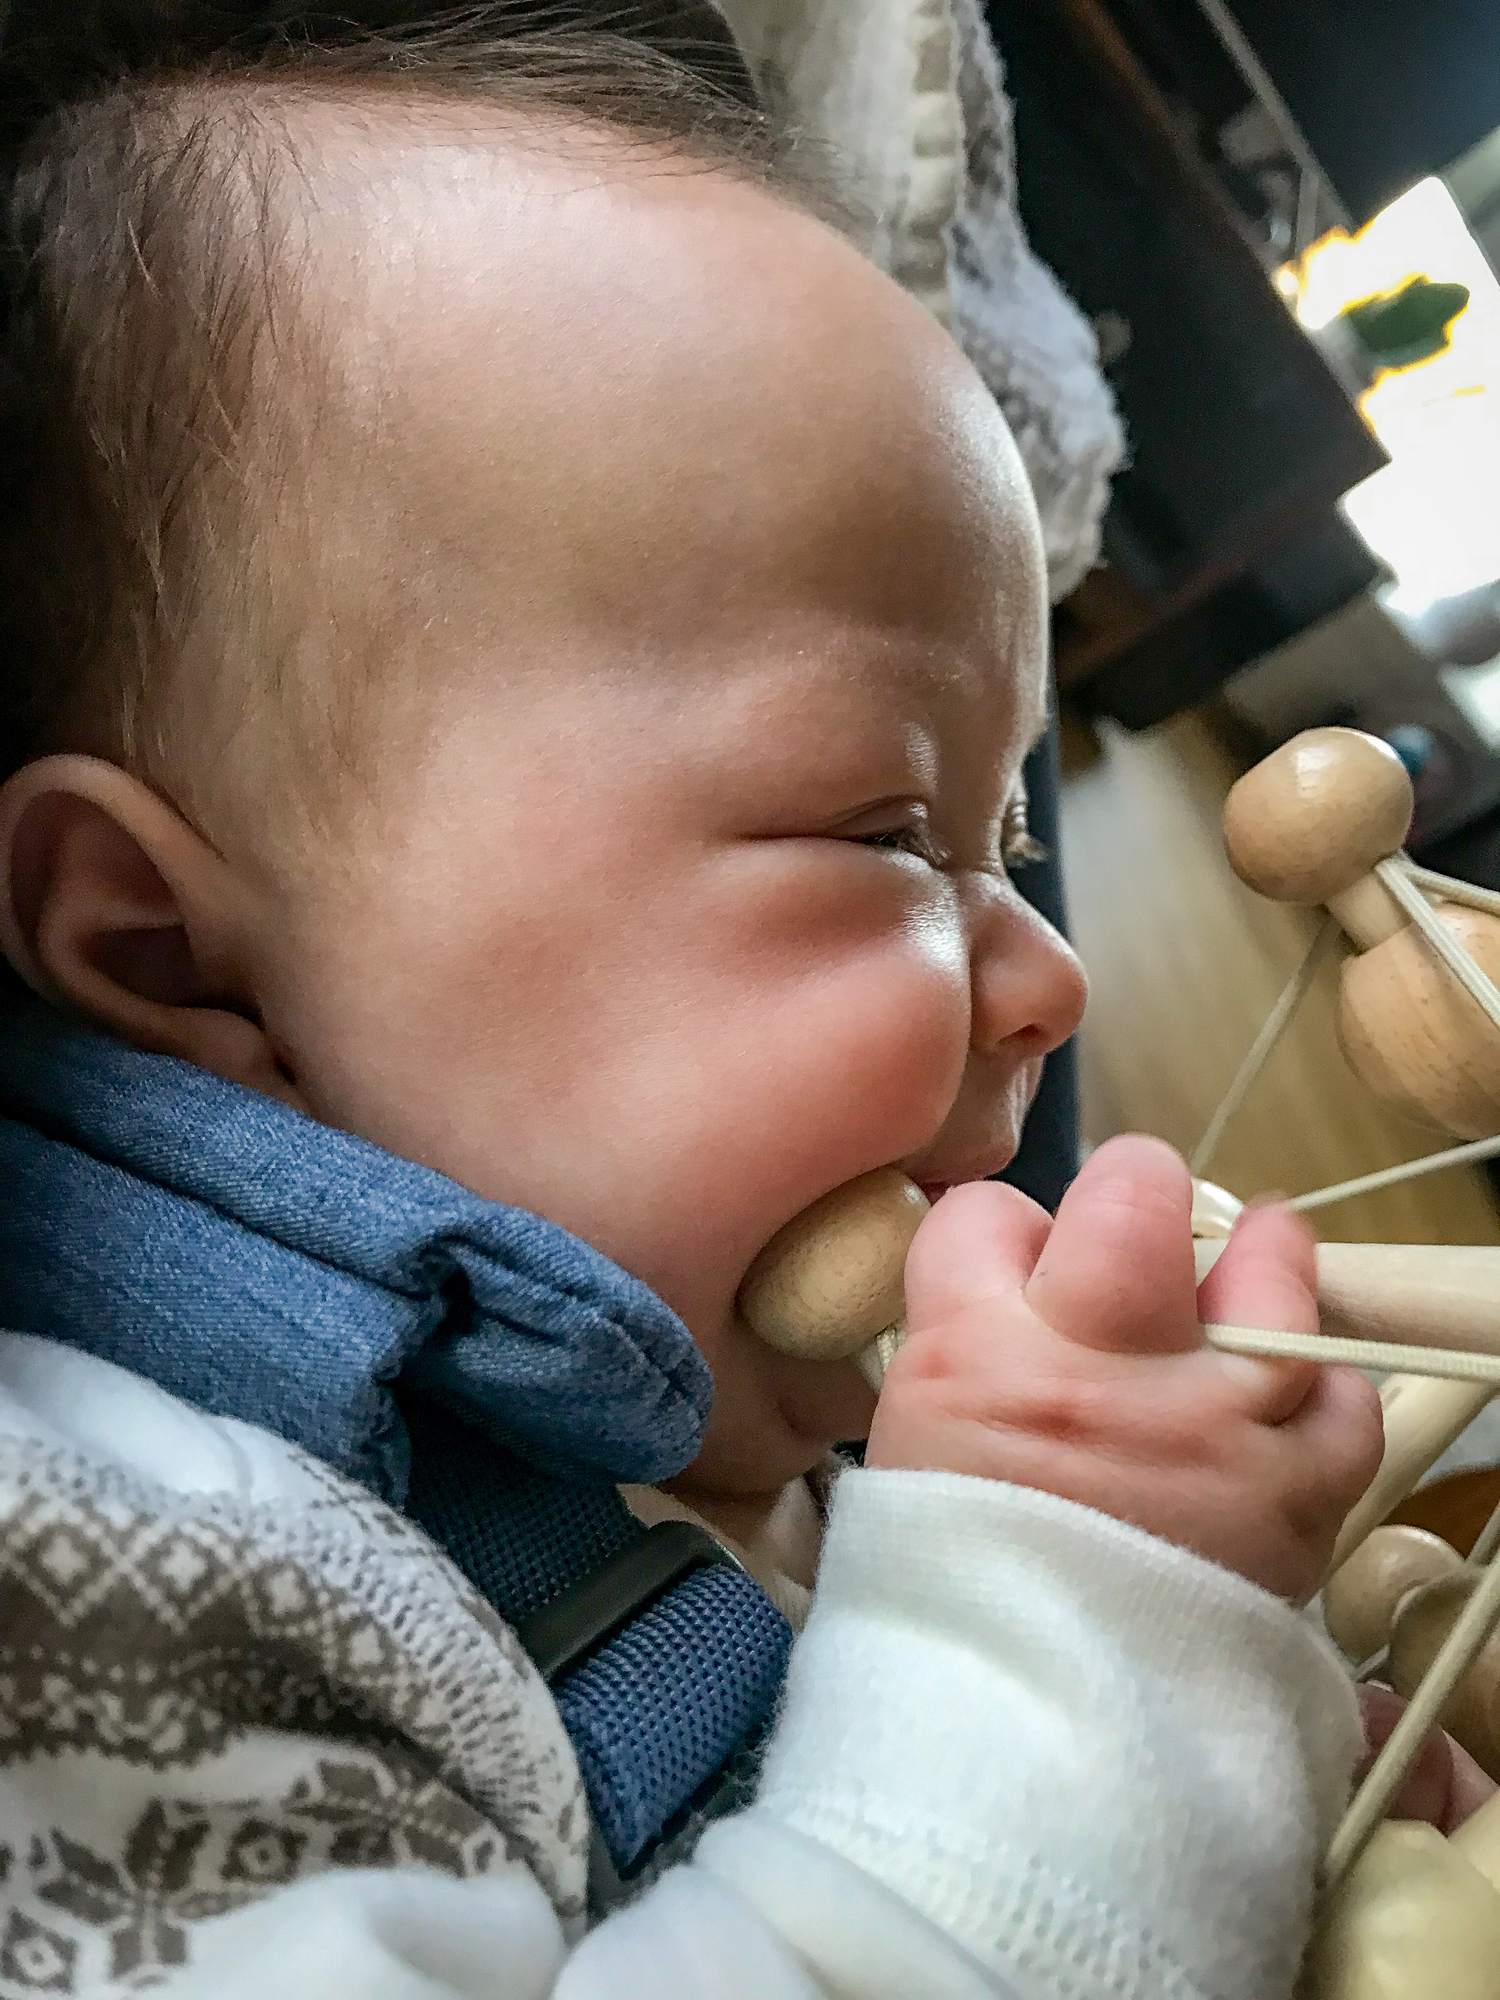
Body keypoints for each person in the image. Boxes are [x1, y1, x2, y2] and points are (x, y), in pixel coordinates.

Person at [0, 19, 1398, 1996]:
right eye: (886, 828)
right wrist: (1090, 1644)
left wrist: (1264, 1784)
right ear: (175, 956)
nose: (1057, 976)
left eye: (1011, 833)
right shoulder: (100, 1563)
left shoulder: (765, 1408)